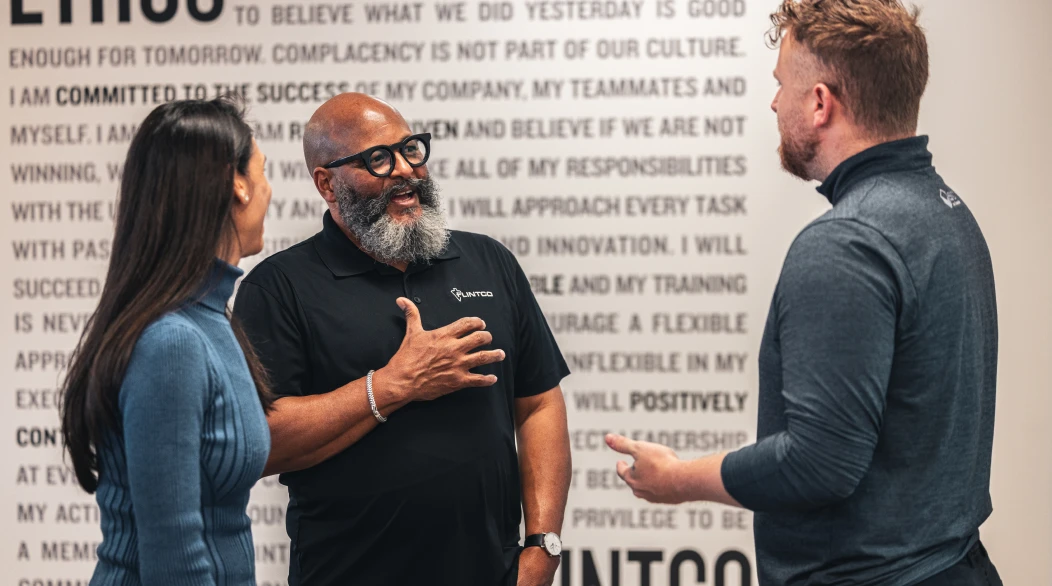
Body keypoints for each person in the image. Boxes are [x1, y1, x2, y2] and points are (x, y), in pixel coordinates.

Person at [606, 1, 1002, 584]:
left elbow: (821, 463)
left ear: (819, 103)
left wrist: (679, 479)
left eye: (781, 85)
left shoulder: (847, 242)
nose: (773, 103)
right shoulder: (945, 210)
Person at [232, 93, 572, 586]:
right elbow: (260, 444)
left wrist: (542, 548)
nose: (405, 170)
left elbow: (539, 403)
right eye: (377, 159)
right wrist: (393, 385)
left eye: (411, 149)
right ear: (326, 183)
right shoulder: (280, 286)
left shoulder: (488, 261)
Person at [59, 98, 274, 586]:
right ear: (236, 185)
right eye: (263, 170)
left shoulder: (210, 318)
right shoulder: (171, 343)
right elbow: (173, 557)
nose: (268, 188)